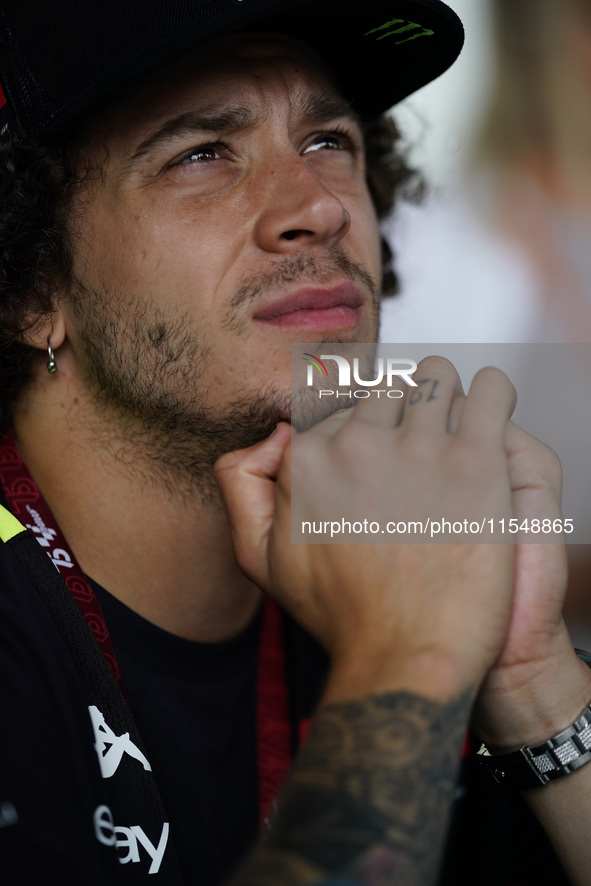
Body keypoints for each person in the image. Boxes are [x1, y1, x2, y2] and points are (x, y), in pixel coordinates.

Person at [0, 2, 590, 885]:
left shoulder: (400, 559)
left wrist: (529, 677)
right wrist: (407, 659)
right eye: (200, 155)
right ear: (30, 286)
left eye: (328, 142)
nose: (316, 206)